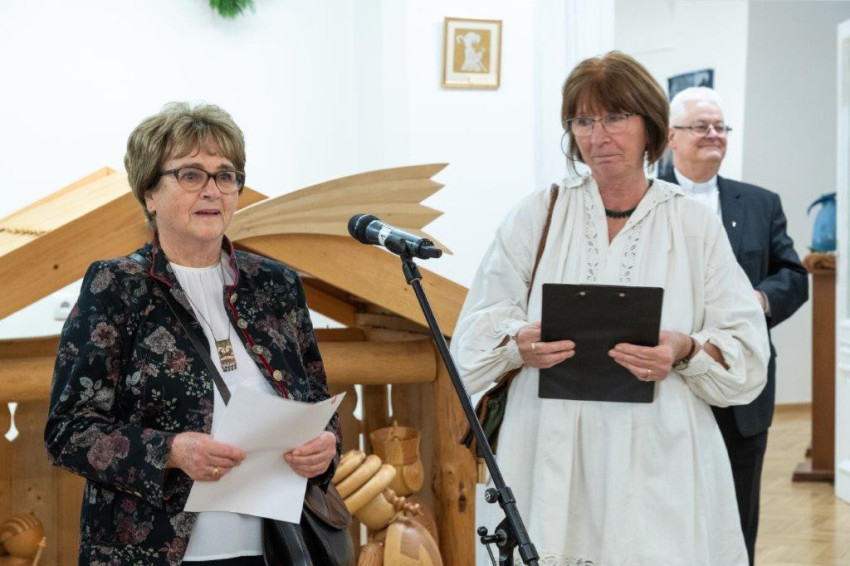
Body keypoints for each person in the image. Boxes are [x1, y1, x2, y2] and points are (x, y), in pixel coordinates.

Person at [451, 52, 770, 565]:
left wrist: (685, 349)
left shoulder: (691, 224)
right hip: (550, 447)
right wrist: (516, 342)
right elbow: (473, 334)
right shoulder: (538, 213)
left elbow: (746, 348)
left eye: (615, 118)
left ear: (651, 127)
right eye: (583, 121)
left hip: (659, 450)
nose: (597, 136)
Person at [44, 102, 341, 566]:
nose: (212, 190)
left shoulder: (276, 285)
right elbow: (68, 431)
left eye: (225, 176)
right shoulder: (116, 286)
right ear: (149, 193)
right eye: (190, 175)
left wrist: (326, 448)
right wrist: (171, 451)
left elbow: (318, 404)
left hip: (276, 549)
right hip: (151, 553)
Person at [662, 86, 808, 564]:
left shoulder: (761, 203)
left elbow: (793, 275)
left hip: (741, 381)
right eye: (700, 126)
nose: (713, 134)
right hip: (667, 380)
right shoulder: (645, 198)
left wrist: (758, 301)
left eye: (720, 126)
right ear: (671, 137)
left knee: (739, 507)